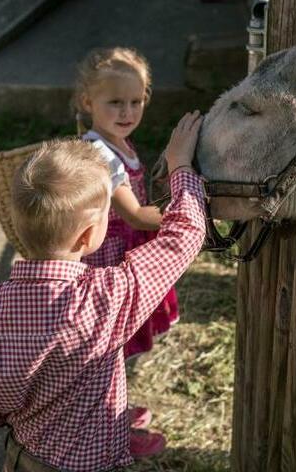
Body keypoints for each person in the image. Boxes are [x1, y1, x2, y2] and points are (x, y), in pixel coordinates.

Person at [0, 111, 205, 472]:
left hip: (22, 458)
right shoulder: (109, 297)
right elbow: (185, 235)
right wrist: (181, 168)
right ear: (87, 236)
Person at [72, 48, 180, 447]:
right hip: (108, 261)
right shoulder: (101, 153)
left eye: (136, 101)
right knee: (108, 344)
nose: (127, 111)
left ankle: (111, 411)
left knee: (115, 348)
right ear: (88, 102)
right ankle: (109, 431)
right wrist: (187, 215)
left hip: (121, 254)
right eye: (115, 102)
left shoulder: (117, 142)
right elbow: (134, 215)